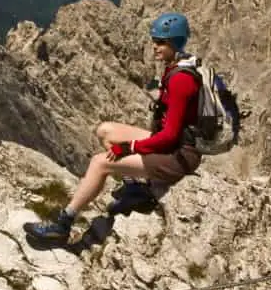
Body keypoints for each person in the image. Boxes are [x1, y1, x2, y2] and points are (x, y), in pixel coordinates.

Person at [26, 12, 204, 241]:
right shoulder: (177, 65)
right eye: (154, 40)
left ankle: (63, 223)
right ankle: (136, 186)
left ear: (174, 42)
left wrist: (130, 148)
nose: (154, 46)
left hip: (178, 157)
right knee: (105, 130)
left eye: (161, 42)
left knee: (100, 163)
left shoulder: (181, 79)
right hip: (174, 145)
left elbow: (169, 136)